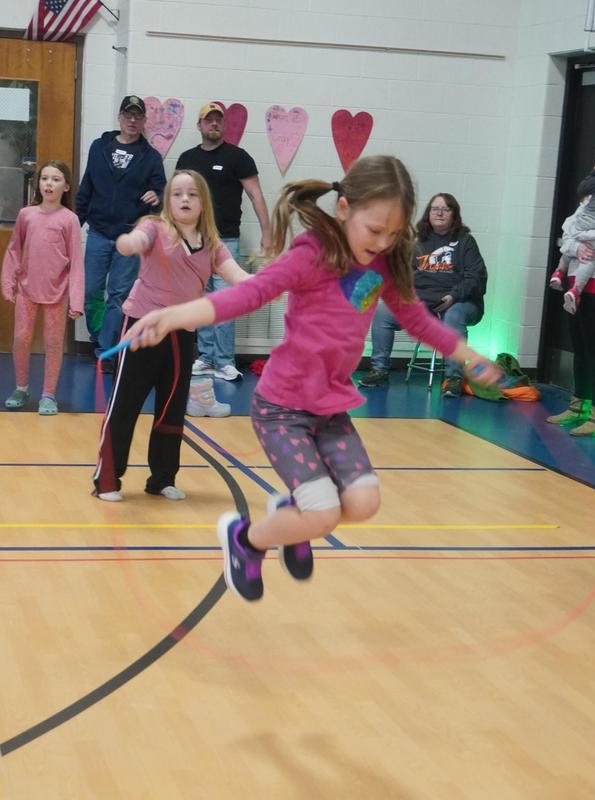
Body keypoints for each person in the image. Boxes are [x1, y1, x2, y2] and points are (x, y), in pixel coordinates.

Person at [124, 155, 501, 601]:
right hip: (282, 409)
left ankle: (294, 512)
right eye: (375, 230)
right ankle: (247, 541)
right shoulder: (311, 256)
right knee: (323, 514)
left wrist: (467, 353)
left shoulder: (381, 266)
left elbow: (417, 320)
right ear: (344, 210)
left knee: (363, 504)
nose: (383, 243)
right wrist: (173, 315)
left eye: (394, 234)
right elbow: (248, 294)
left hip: (330, 407)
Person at [92, 170, 250, 502]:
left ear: (203, 201)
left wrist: (269, 284)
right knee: (125, 404)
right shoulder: (154, 227)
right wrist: (127, 243)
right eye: (177, 194)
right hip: (142, 326)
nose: (184, 200)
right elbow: (136, 240)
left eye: (192, 194)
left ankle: (162, 478)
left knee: (171, 407)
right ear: (168, 200)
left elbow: (236, 275)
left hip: (181, 333)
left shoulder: (212, 243)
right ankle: (107, 480)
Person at [176, 102, 270, 381]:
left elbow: (255, 195)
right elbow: (179, 199)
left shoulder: (238, 157)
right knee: (202, 300)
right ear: (200, 126)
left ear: (224, 125)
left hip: (226, 240)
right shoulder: (187, 159)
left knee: (226, 301)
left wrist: (267, 232)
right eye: (208, 120)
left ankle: (225, 360)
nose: (213, 124)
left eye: (218, 120)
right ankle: (205, 358)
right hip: (194, 241)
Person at [360, 192, 487, 397]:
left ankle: (453, 378)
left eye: (446, 209)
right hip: (423, 302)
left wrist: (453, 296)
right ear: (428, 214)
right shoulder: (416, 242)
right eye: (435, 209)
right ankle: (379, 370)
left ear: (454, 215)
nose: (439, 213)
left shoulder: (465, 242)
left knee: (453, 315)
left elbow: (476, 278)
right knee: (384, 312)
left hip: (460, 301)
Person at [76, 95, 166, 369]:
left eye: (138, 116)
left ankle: (106, 351)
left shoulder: (151, 157)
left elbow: (161, 191)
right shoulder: (99, 147)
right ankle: (99, 336)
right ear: (119, 116)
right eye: (128, 114)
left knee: (118, 295)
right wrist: (71, 229)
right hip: (99, 232)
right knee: (90, 290)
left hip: (129, 237)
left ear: (143, 120)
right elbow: (85, 189)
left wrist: (157, 196)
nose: (132, 120)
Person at [1, 160, 83, 415]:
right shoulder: (27, 214)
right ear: (39, 183)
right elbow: (14, 250)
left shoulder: (70, 220)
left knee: (53, 343)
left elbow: (77, 263)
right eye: (45, 178)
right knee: (21, 339)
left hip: (57, 294)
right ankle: (21, 386)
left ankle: (48, 394)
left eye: (56, 179)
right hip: (27, 291)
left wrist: (77, 300)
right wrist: (7, 281)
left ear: (66, 186)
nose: (49, 183)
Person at [546, 238, 595, 436]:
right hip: (575, 284)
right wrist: (575, 246)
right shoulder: (584, 212)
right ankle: (579, 404)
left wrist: (578, 244)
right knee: (580, 347)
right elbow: (567, 237)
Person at [549, 138, 595, 314]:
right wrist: (576, 246)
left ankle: (562, 274)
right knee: (579, 337)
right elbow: (569, 228)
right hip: (574, 277)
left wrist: (583, 240)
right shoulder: (593, 191)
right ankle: (560, 274)